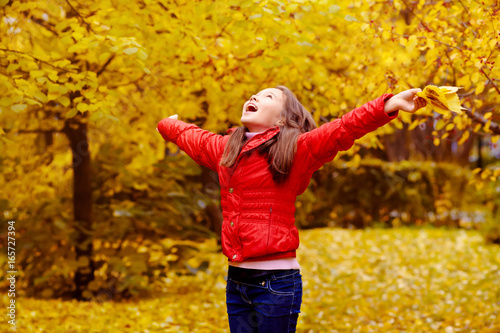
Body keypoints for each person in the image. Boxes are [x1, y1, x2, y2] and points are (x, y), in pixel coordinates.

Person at [156, 86, 427, 332]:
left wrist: (388, 105)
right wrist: (167, 125)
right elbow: (193, 137)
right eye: (254, 95)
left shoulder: (298, 149)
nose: (254, 98)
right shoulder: (226, 150)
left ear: (282, 119)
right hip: (236, 281)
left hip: (276, 284)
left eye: (267, 96)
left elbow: (344, 128)